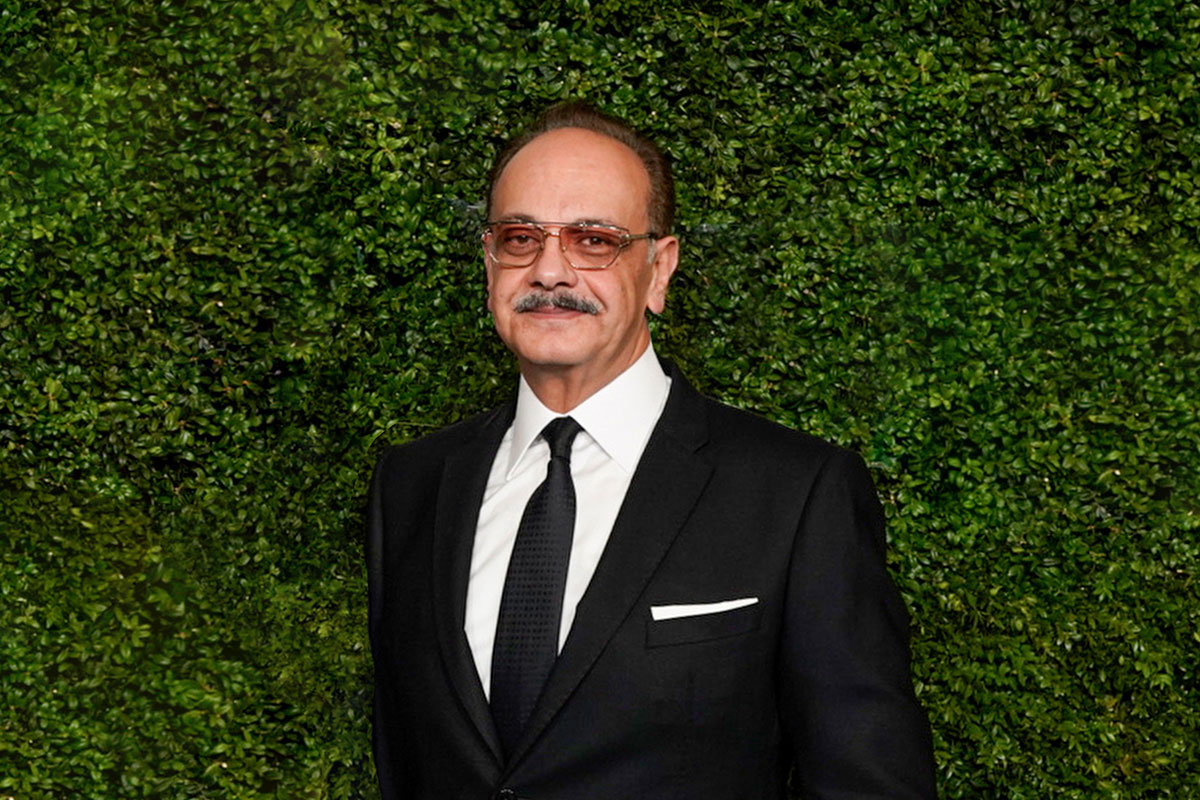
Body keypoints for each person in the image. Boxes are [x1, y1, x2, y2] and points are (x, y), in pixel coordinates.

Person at [366, 101, 937, 799]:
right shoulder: (411, 486)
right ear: (489, 264)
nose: (549, 272)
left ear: (659, 269)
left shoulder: (795, 494)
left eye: (593, 240)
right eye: (520, 238)